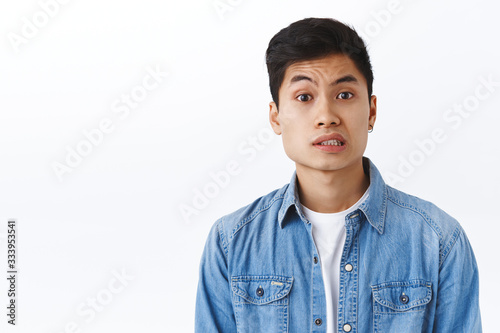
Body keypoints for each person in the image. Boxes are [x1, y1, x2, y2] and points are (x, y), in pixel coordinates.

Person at [195, 17, 481, 332]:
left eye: (344, 95)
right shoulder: (232, 242)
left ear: (371, 111)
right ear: (275, 117)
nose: (326, 117)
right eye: (304, 97)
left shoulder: (438, 240)